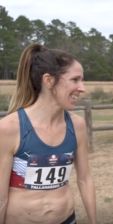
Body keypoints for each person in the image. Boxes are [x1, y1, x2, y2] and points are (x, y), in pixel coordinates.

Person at [0, 44, 96, 224]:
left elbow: (85, 179)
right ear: (49, 80)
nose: (82, 88)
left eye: (82, 80)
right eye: (75, 80)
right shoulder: (9, 128)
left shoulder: (77, 125)